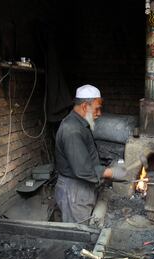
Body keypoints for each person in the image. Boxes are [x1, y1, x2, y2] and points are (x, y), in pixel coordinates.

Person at [55, 84, 128, 223]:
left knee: (85, 229)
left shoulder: (80, 124)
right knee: (78, 236)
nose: (99, 114)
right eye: (97, 109)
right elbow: (83, 169)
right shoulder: (72, 130)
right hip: (74, 192)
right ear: (84, 106)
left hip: (80, 188)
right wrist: (111, 173)